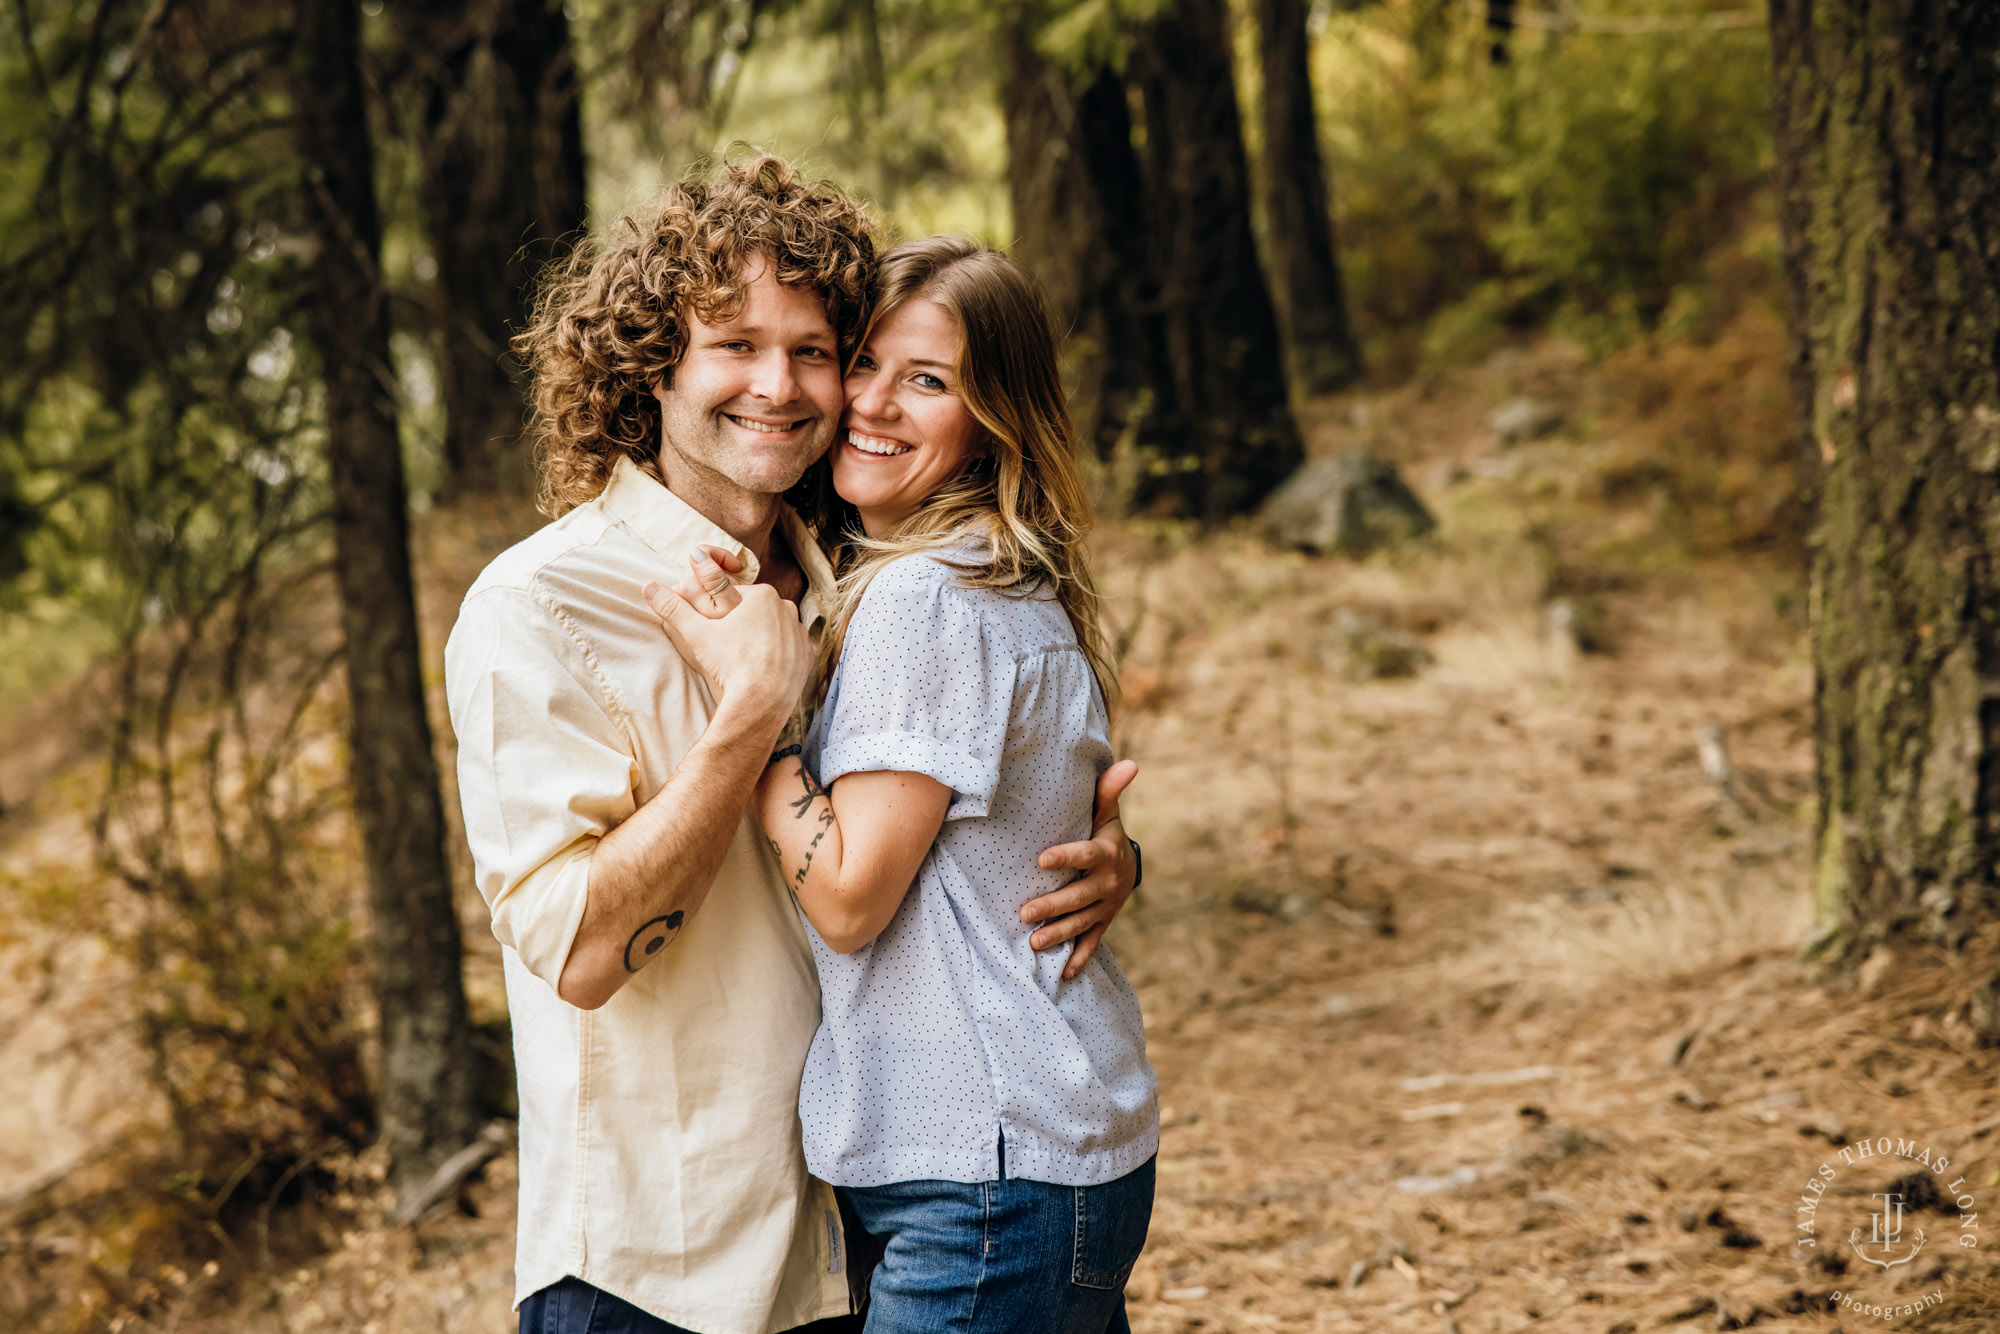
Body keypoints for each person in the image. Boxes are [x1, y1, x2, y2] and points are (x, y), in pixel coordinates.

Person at [443, 158, 1141, 1334]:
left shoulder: (851, 576)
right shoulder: (541, 606)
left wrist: (1088, 857)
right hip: (660, 1265)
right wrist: (747, 722)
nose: (781, 384)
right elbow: (576, 950)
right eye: (734, 345)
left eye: (815, 349)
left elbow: (951, 804)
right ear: (652, 363)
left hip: (862, 1223)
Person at [654, 236, 1158, 1333]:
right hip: (1039, 1151)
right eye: (866, 364)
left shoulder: (923, 598)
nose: (873, 404)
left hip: (977, 1171)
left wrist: (757, 714)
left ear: (994, 419)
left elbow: (846, 897)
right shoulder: (998, 573)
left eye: (927, 381)